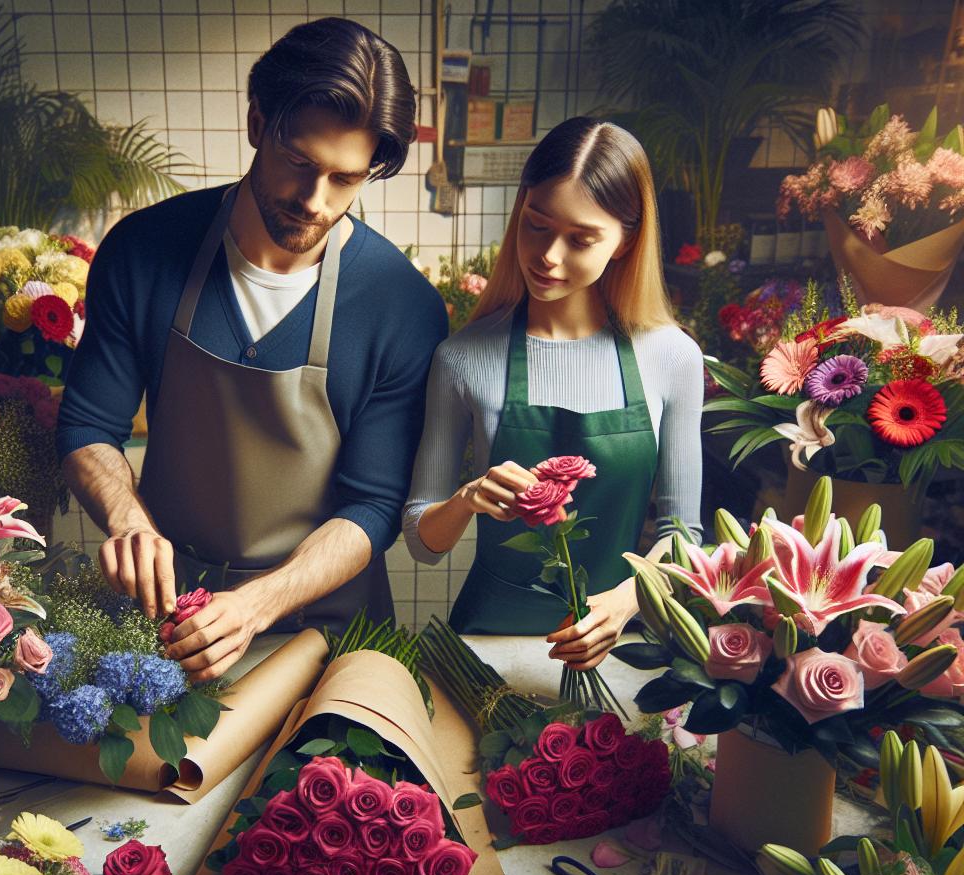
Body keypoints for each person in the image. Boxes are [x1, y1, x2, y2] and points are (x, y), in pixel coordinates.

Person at [57, 18, 448, 682]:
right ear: (257, 121)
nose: (315, 201)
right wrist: (126, 516)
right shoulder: (146, 251)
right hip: (170, 617)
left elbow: (375, 504)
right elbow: (90, 425)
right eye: (300, 163)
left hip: (328, 634)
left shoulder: (401, 305)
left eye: (345, 179)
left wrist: (255, 606)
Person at [402, 117, 703, 669]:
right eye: (536, 226)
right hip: (487, 649)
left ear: (625, 240)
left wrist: (625, 602)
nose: (548, 256)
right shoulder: (464, 357)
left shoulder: (672, 358)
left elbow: (684, 535)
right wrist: (468, 499)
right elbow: (423, 541)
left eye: (581, 239)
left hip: (622, 647)